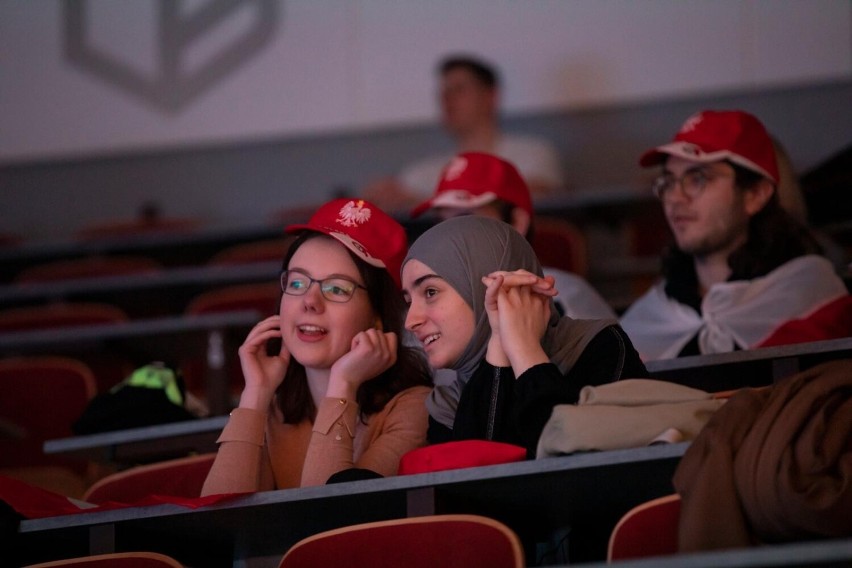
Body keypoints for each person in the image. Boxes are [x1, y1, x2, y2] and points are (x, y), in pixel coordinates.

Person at [202, 198, 432, 494]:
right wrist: (255, 395)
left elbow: (325, 515)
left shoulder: (414, 407)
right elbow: (220, 517)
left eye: (337, 288)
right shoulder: (275, 405)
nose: (309, 302)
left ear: (378, 317)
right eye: (297, 284)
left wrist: (342, 387)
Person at [401, 216, 647, 456]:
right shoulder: (446, 406)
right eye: (408, 301)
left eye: (430, 292)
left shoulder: (598, 348)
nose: (411, 321)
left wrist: (524, 350)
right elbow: (473, 488)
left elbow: (577, 469)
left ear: (483, 287)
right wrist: (498, 345)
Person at [619, 110, 849, 361]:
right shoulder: (655, 313)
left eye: (697, 178)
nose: (675, 198)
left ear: (755, 195)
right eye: (669, 181)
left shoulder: (813, 299)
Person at [410, 151, 616, 320]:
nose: (448, 237)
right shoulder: (424, 309)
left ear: (518, 222)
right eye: (440, 223)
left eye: (466, 220)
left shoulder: (565, 300)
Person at [364, 55, 564, 211]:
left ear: (490, 97)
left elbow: (525, 197)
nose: (447, 100)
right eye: (443, 93)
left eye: (459, 90)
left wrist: (424, 201)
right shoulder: (421, 173)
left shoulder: (532, 155)